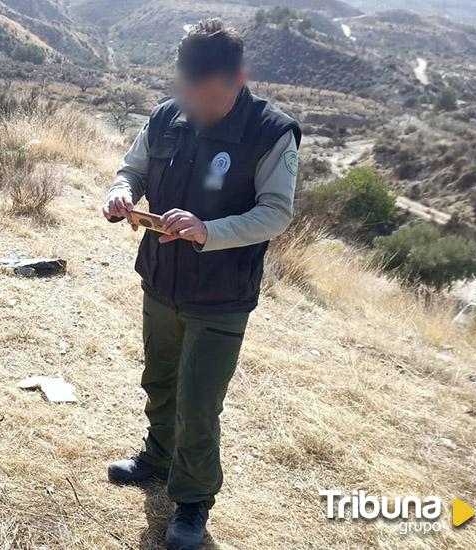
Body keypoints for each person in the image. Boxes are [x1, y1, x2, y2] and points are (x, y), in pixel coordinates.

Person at [102, 19, 302, 550]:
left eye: (209, 97)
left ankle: (192, 503)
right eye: (189, 94)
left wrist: (209, 231)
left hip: (221, 296)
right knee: (160, 378)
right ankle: (156, 456)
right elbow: (133, 168)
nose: (198, 109)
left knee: (199, 401)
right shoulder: (168, 116)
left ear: (239, 78)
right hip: (161, 281)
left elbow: (276, 213)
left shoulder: (272, 131)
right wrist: (122, 194)